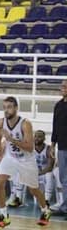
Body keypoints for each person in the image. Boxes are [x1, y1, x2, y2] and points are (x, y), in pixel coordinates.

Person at [0, 96, 52, 228]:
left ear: (15, 108)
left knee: (34, 190)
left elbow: (30, 147)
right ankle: (4, 215)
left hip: (26, 160)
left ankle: (45, 210)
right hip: (10, 157)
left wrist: (11, 139)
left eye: (9, 107)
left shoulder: (25, 123)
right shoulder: (1, 121)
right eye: (4, 108)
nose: (6, 110)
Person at [50, 80, 67, 216]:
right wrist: (52, 144)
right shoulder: (58, 105)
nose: (63, 88)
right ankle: (64, 206)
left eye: (66, 86)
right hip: (61, 146)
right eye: (62, 86)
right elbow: (55, 126)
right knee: (62, 178)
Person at [34, 130, 56, 204]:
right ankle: (18, 198)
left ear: (44, 139)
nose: (37, 138)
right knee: (20, 173)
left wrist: (39, 173)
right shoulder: (30, 148)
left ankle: (47, 201)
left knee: (49, 175)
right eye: (35, 136)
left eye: (39, 137)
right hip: (34, 173)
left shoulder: (49, 149)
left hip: (44, 173)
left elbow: (50, 167)